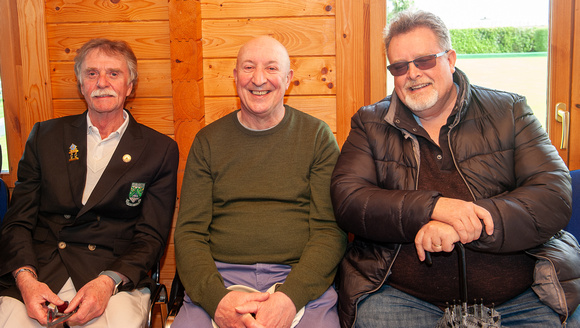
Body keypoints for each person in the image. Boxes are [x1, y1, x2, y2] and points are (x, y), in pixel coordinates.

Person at [330, 9, 579, 328]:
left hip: (520, 298)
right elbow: (348, 200)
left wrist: (467, 223)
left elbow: (553, 195)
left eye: (424, 60)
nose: (413, 74)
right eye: (400, 66)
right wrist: (433, 207)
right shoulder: (370, 123)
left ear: (450, 59)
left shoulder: (510, 111)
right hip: (401, 298)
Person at [0, 38, 179, 327]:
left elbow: (151, 238)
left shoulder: (159, 150)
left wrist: (107, 283)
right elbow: (17, 222)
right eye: (91, 73)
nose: (102, 82)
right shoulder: (45, 136)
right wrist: (26, 280)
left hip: (113, 276)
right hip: (42, 272)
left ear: (130, 86)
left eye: (114, 73)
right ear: (80, 84)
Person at [173, 36, 346, 328]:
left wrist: (290, 297)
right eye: (248, 67)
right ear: (235, 77)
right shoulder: (208, 142)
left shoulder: (317, 137)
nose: (258, 79)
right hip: (220, 277)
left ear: (288, 78)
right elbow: (189, 233)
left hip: (297, 279)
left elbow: (330, 231)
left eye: (271, 68)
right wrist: (217, 301)